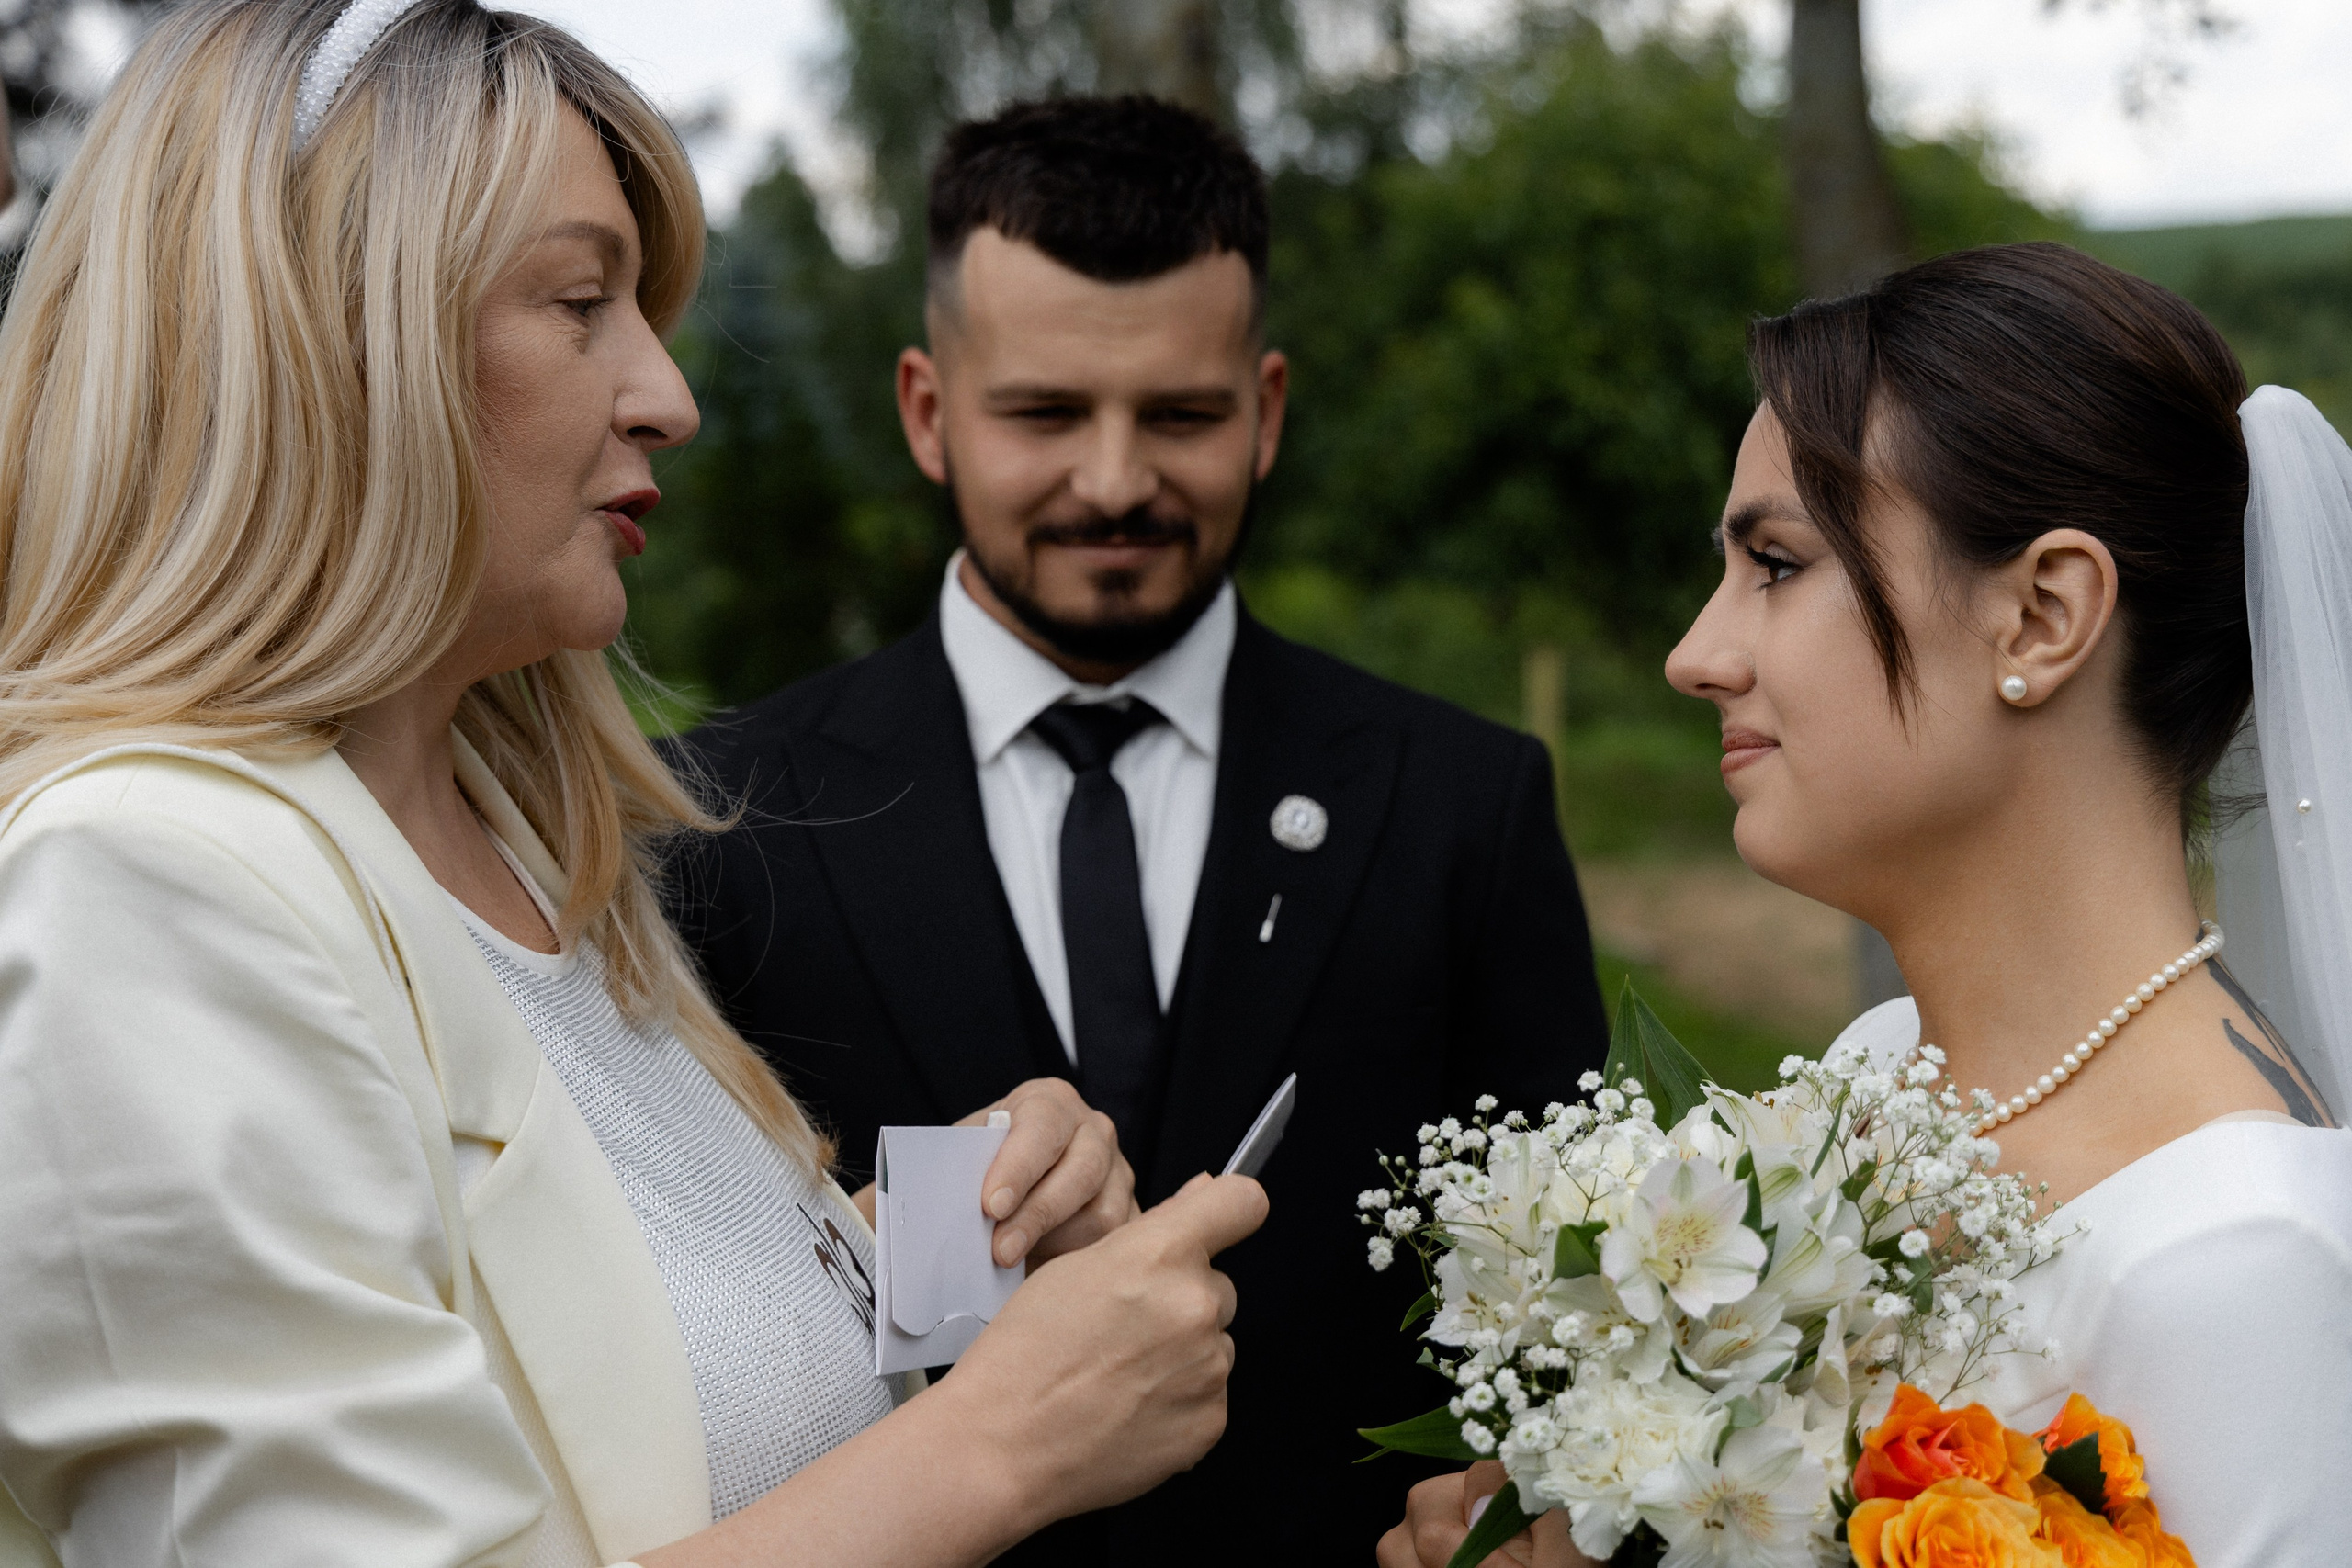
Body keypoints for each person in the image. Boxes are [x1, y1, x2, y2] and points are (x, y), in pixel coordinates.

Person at [0, 4, 1269, 1565]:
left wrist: (947, 1245)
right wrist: (1004, 1444)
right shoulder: (141, 880)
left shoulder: (517, 845)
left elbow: (618, 1378)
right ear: (334, 340)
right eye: (580, 301)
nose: (666, 391)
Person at [670, 95, 1611, 1562]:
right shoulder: (716, 818)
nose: (1114, 483)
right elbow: (700, 1334)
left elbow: (1569, 1309)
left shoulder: (1460, 804)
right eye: (1044, 413)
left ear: (1269, 410)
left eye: (1178, 415)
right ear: (928, 410)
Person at [1382, 243, 2352, 1568]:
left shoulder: (2241, 1260)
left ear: (2042, 617)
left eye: (1774, 565)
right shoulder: (1877, 1073)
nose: (1693, 655)